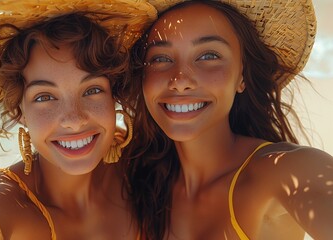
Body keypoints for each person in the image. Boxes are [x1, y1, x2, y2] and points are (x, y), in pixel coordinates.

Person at [0, 0, 156, 239]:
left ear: (113, 96)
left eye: (92, 90)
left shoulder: (142, 159)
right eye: (45, 97)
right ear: (19, 111)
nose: (74, 120)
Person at [124, 0, 333, 239]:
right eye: (160, 58)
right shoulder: (134, 184)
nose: (180, 80)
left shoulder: (289, 168)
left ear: (241, 75)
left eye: (208, 55)